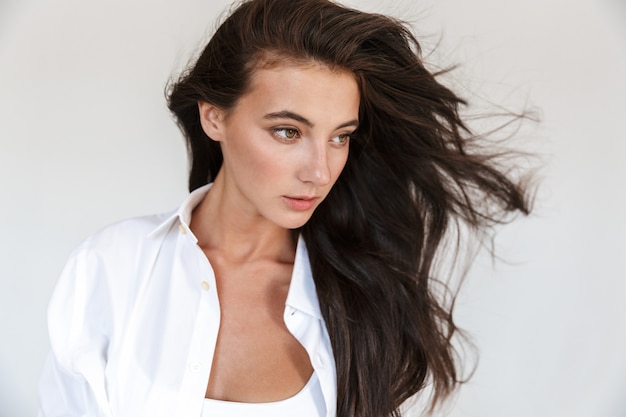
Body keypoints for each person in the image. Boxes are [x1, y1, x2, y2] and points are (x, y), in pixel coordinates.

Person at [37, 0, 532, 416]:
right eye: (288, 131)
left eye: (340, 136)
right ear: (214, 116)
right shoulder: (113, 266)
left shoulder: (362, 291)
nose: (319, 171)